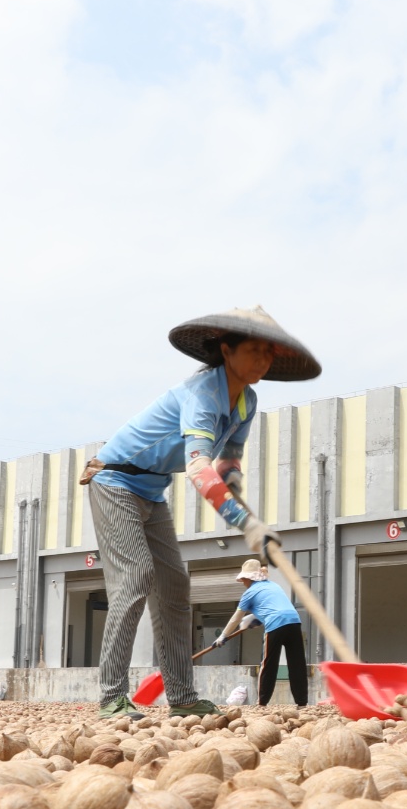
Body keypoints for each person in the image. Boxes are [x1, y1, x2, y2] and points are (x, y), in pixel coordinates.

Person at [83, 306, 322, 720]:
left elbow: (227, 463)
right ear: (226, 350)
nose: (263, 360)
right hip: (115, 482)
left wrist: (242, 505)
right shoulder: (202, 395)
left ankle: (182, 697)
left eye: (269, 353)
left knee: (175, 588)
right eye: (254, 350)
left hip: (152, 490)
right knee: (136, 575)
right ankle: (111, 697)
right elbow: (198, 467)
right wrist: (245, 523)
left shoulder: (246, 401)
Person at [217, 557, 309, 707]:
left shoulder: (250, 593)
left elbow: (235, 618)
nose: (243, 583)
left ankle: (262, 703)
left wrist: (223, 635)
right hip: (294, 621)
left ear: (248, 578)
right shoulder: (273, 585)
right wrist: (256, 618)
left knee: (269, 664)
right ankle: (302, 703)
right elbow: (274, 607)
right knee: (297, 663)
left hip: (275, 624)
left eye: (244, 580)